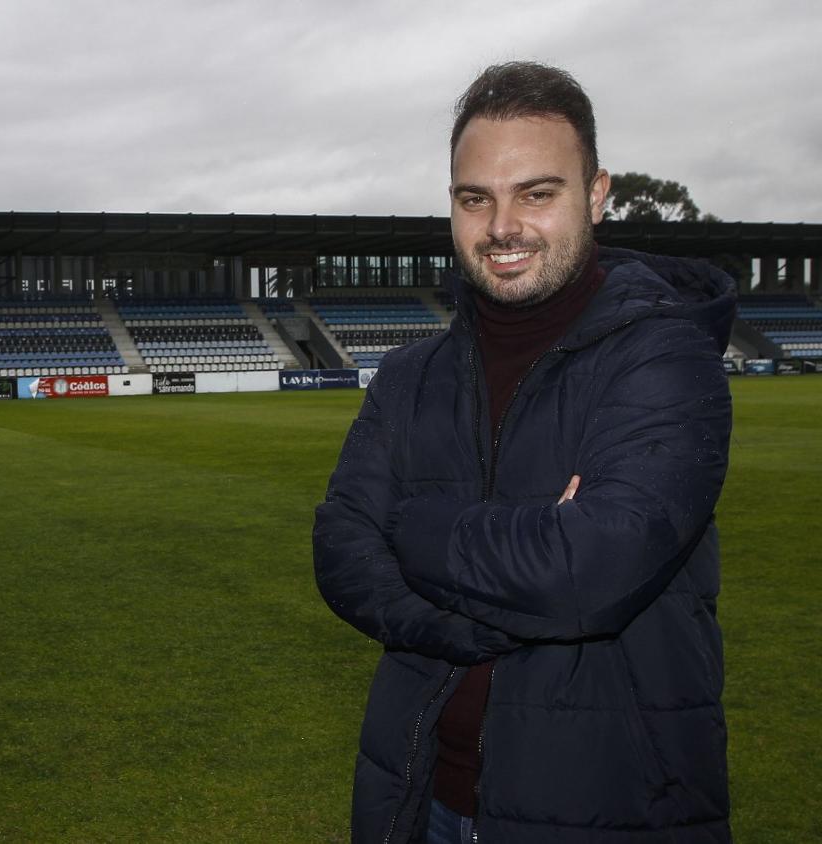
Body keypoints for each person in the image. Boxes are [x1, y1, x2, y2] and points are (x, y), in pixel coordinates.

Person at [313, 61, 734, 843]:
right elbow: (341, 552)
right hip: (421, 798)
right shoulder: (409, 378)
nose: (502, 225)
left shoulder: (668, 361)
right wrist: (465, 621)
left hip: (608, 806)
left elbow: (586, 574)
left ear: (597, 194)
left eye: (536, 193)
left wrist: (414, 529)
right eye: (477, 199)